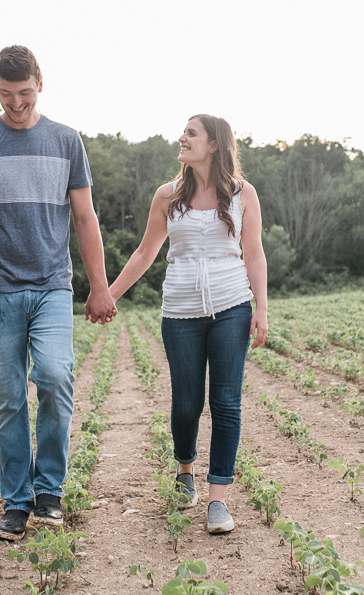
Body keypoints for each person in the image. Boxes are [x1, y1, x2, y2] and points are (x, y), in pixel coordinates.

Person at [0, 45, 116, 541]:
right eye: (4, 95)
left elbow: (85, 218)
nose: (15, 104)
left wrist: (99, 286)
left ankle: (50, 491)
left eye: (23, 93)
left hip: (51, 286)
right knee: (8, 397)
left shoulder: (66, 141)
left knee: (56, 377)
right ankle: (17, 501)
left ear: (40, 84)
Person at [108, 114, 268, 534]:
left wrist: (262, 308)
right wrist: (109, 294)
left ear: (214, 144)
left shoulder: (242, 194)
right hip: (179, 312)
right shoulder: (167, 195)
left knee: (226, 403)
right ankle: (185, 472)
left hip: (232, 307)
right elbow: (145, 254)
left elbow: (254, 254)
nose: (182, 138)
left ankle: (218, 499)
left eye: (191, 133)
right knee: (186, 403)